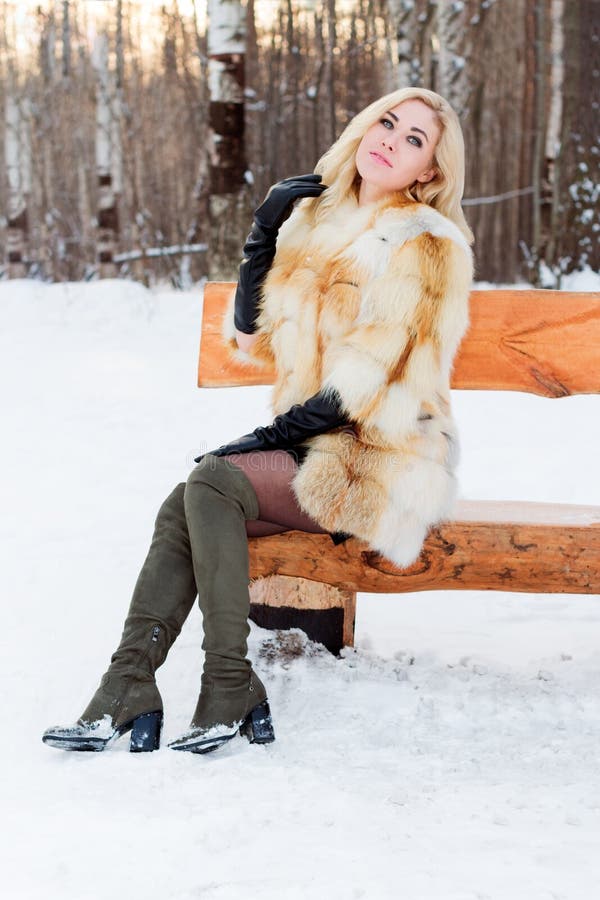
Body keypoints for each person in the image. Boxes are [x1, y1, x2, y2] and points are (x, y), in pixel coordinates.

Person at [42, 86, 474, 756]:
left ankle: (228, 681)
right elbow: (253, 335)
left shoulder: (426, 244)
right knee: (181, 501)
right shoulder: (320, 222)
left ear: (429, 173)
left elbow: (363, 383)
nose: (389, 139)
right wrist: (264, 231)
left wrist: (262, 439)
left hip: (379, 454)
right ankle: (126, 686)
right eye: (387, 121)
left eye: (414, 139)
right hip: (313, 444)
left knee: (210, 482)